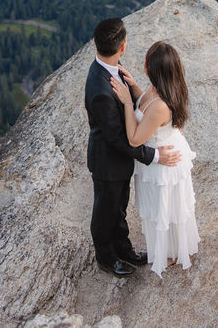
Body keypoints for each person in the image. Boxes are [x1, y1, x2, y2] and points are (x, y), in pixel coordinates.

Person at [85, 18, 181, 278]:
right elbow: (118, 139)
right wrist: (155, 155)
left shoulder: (113, 68)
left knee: (119, 207)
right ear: (123, 47)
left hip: (120, 162)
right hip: (108, 161)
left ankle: (124, 249)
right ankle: (106, 257)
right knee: (105, 212)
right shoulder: (100, 89)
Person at [110, 40, 200, 277]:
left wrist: (127, 103)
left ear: (154, 68)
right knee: (163, 207)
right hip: (160, 155)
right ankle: (169, 249)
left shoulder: (161, 106)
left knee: (165, 209)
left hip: (164, 162)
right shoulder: (158, 88)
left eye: (147, 61)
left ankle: (171, 253)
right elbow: (146, 106)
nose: (143, 63)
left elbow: (135, 138)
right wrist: (134, 87)